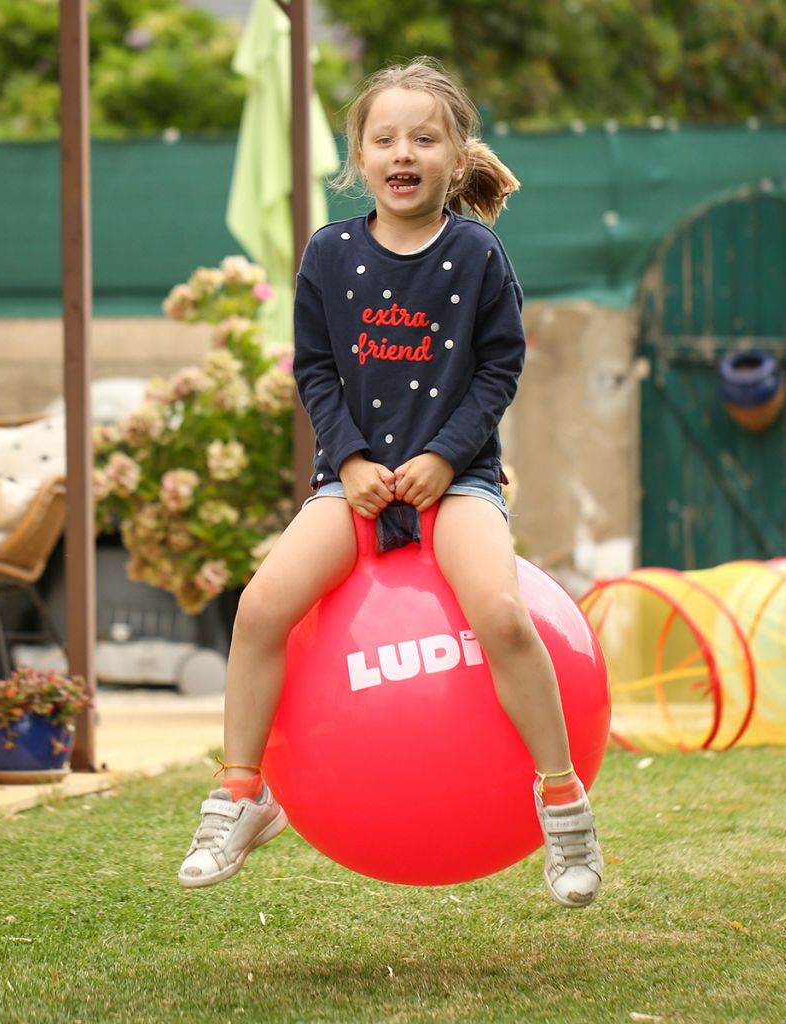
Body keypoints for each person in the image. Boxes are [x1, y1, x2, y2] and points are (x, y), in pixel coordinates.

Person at [177, 57, 603, 908]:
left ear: (455, 155)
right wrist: (355, 461)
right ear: (358, 157)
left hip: (459, 482)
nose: (403, 152)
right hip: (354, 483)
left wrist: (446, 458)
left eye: (424, 137)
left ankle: (563, 804)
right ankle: (239, 794)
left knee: (505, 617)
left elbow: (500, 367)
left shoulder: (478, 253)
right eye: (385, 138)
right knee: (260, 608)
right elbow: (317, 371)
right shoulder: (328, 254)